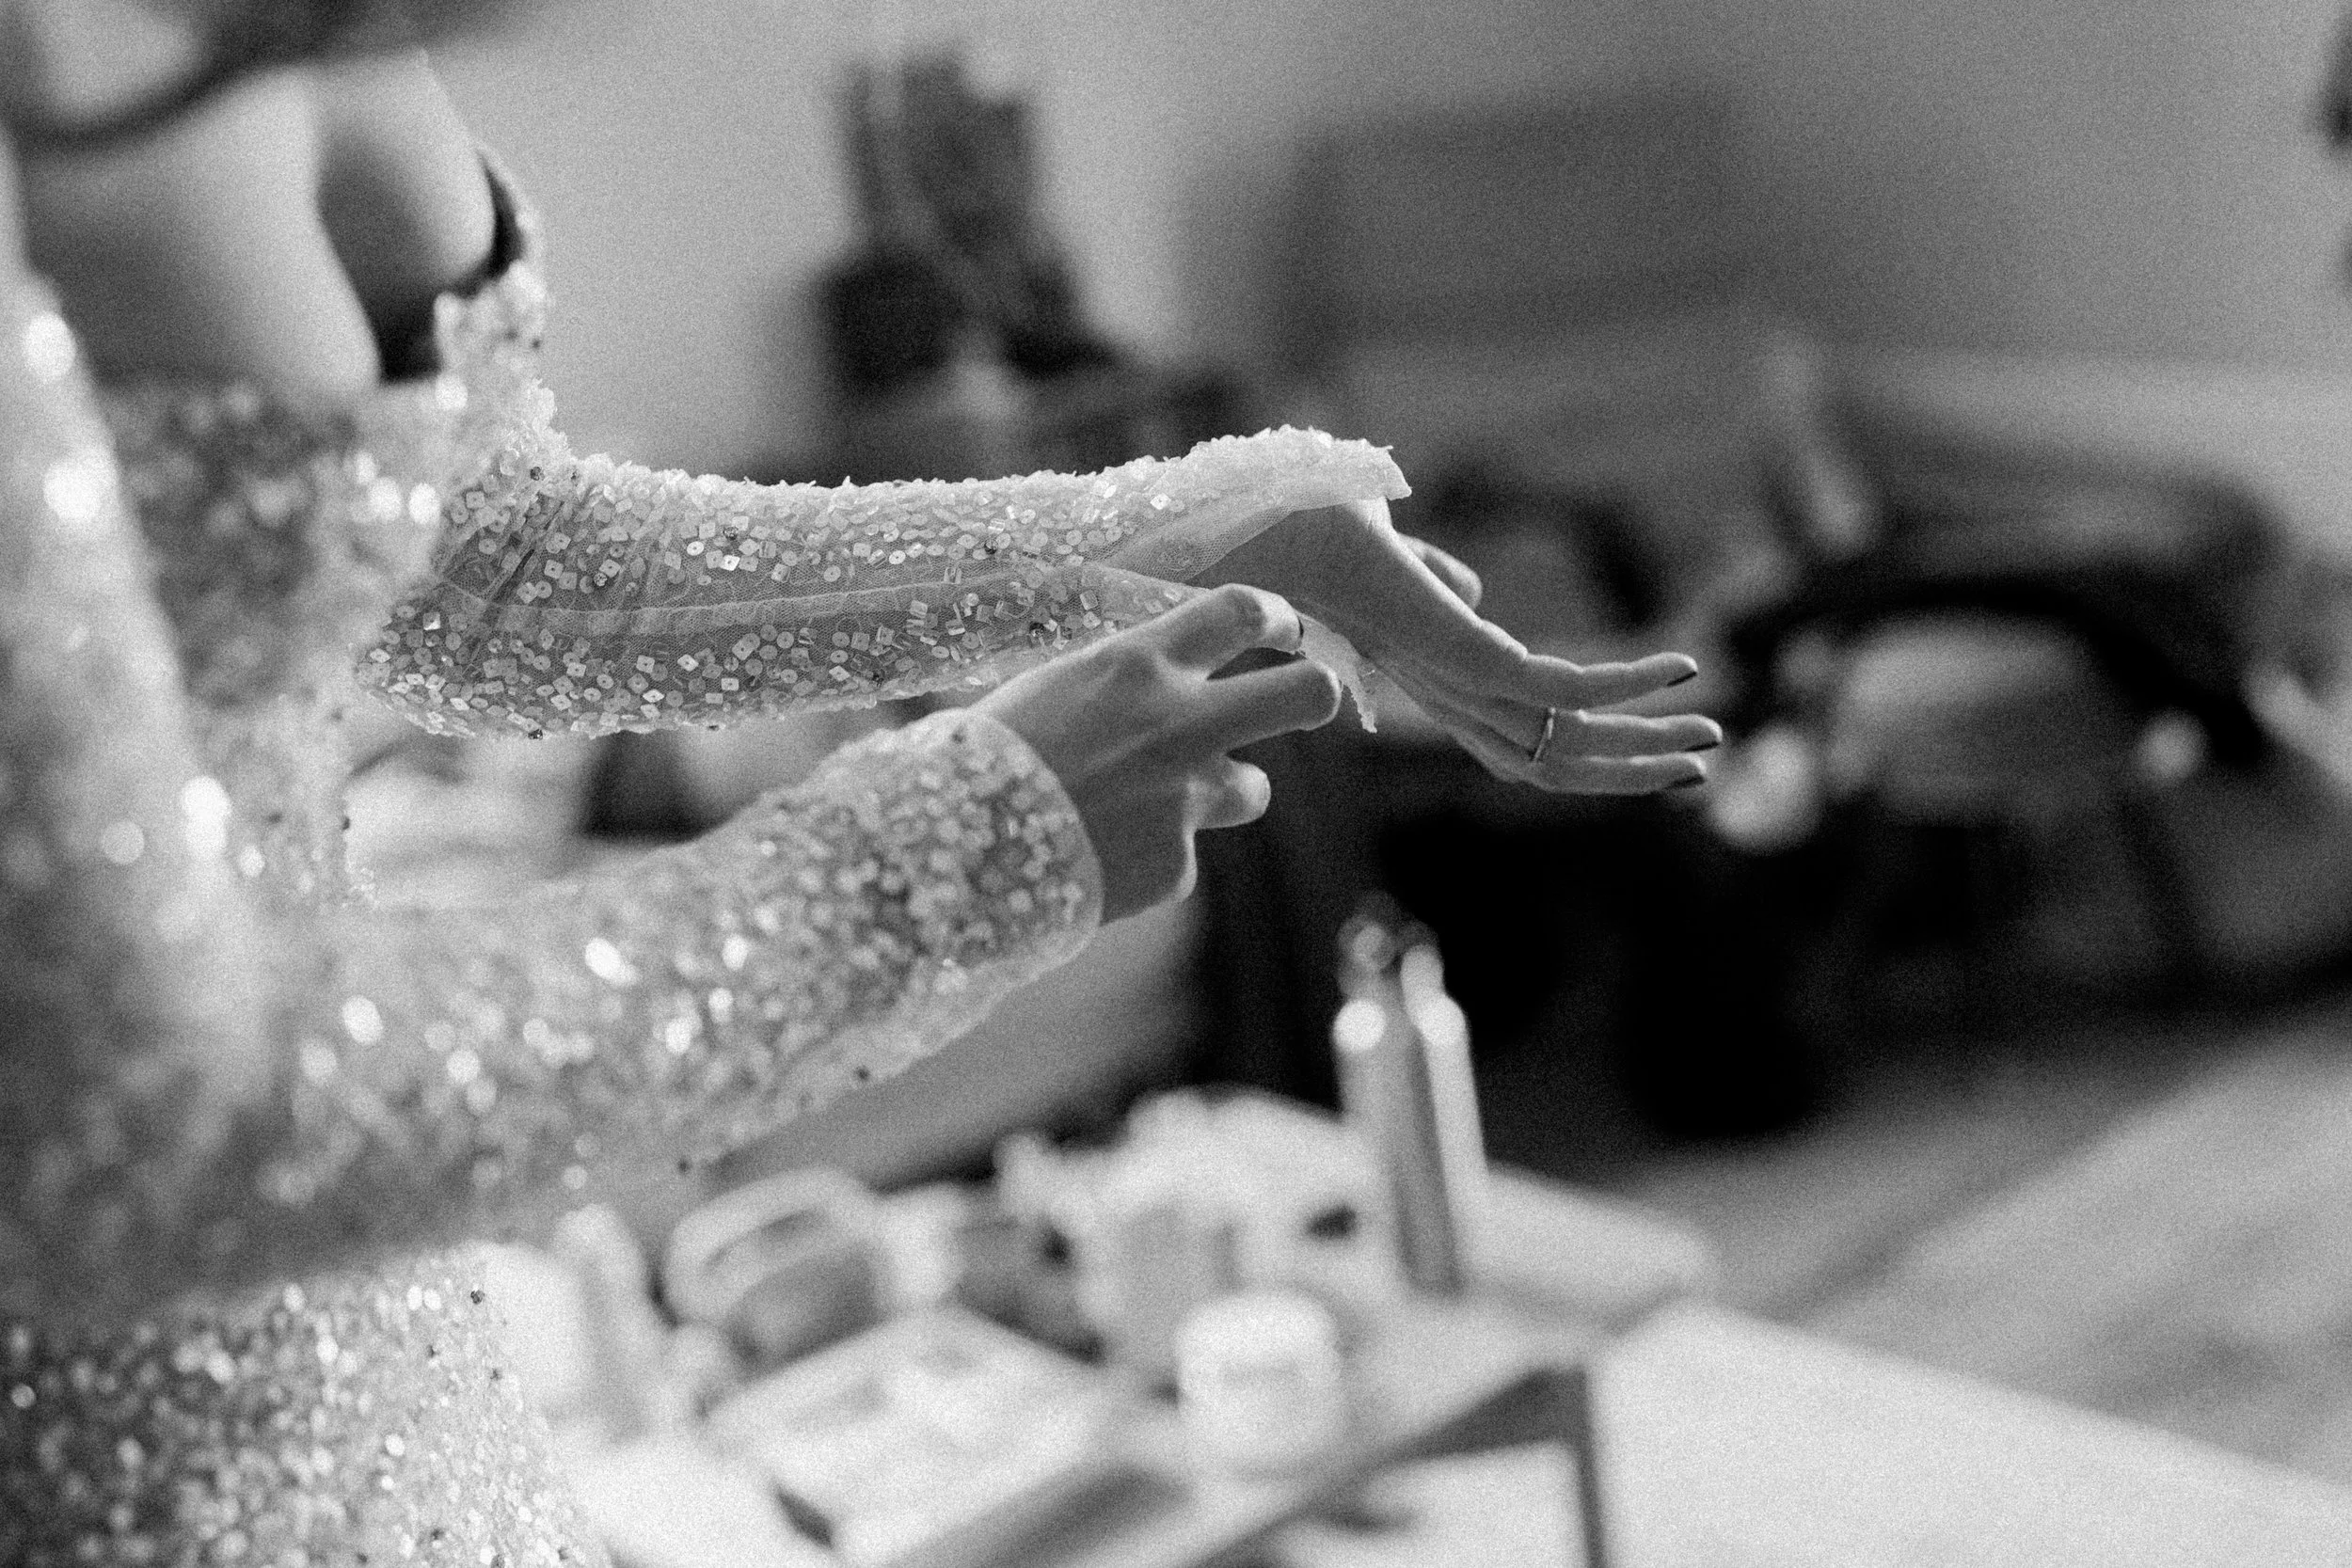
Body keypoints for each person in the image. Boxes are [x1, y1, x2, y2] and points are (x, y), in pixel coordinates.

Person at [0, 2, 1718, 1559]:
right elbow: (117, 1134)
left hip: (394, 1368)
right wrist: (955, 842)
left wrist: (1198, 531)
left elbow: (486, 567)